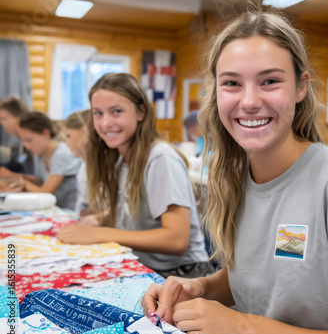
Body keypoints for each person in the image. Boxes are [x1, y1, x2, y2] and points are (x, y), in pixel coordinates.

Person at [141, 11, 328, 334]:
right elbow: (262, 277)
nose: (249, 101)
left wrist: (244, 327)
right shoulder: (234, 178)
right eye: (232, 83)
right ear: (216, 93)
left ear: (301, 87)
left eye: (269, 81)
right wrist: (200, 288)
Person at [57, 73, 213, 278]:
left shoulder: (159, 157)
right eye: (98, 113)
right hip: (142, 265)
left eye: (116, 111)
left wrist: (99, 233)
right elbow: (136, 207)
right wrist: (100, 218)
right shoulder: (120, 159)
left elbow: (177, 240)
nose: (105, 123)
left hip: (183, 274)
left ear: (141, 112)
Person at [0, 111, 80, 210]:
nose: (26, 146)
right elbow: (40, 180)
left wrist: (21, 181)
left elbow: (46, 193)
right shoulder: (39, 154)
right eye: (23, 141)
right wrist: (13, 176)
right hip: (53, 209)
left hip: (69, 211)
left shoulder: (62, 154)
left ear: (45, 134)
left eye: (29, 140)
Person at [63, 109, 92, 215]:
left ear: (85, 132)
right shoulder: (83, 164)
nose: (67, 143)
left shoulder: (100, 166)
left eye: (69, 136)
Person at [0, 96, 33, 174]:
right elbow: (13, 157)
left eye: (4, 119)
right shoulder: (15, 138)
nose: (1, 123)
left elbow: (27, 168)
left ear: (19, 116)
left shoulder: (32, 139)